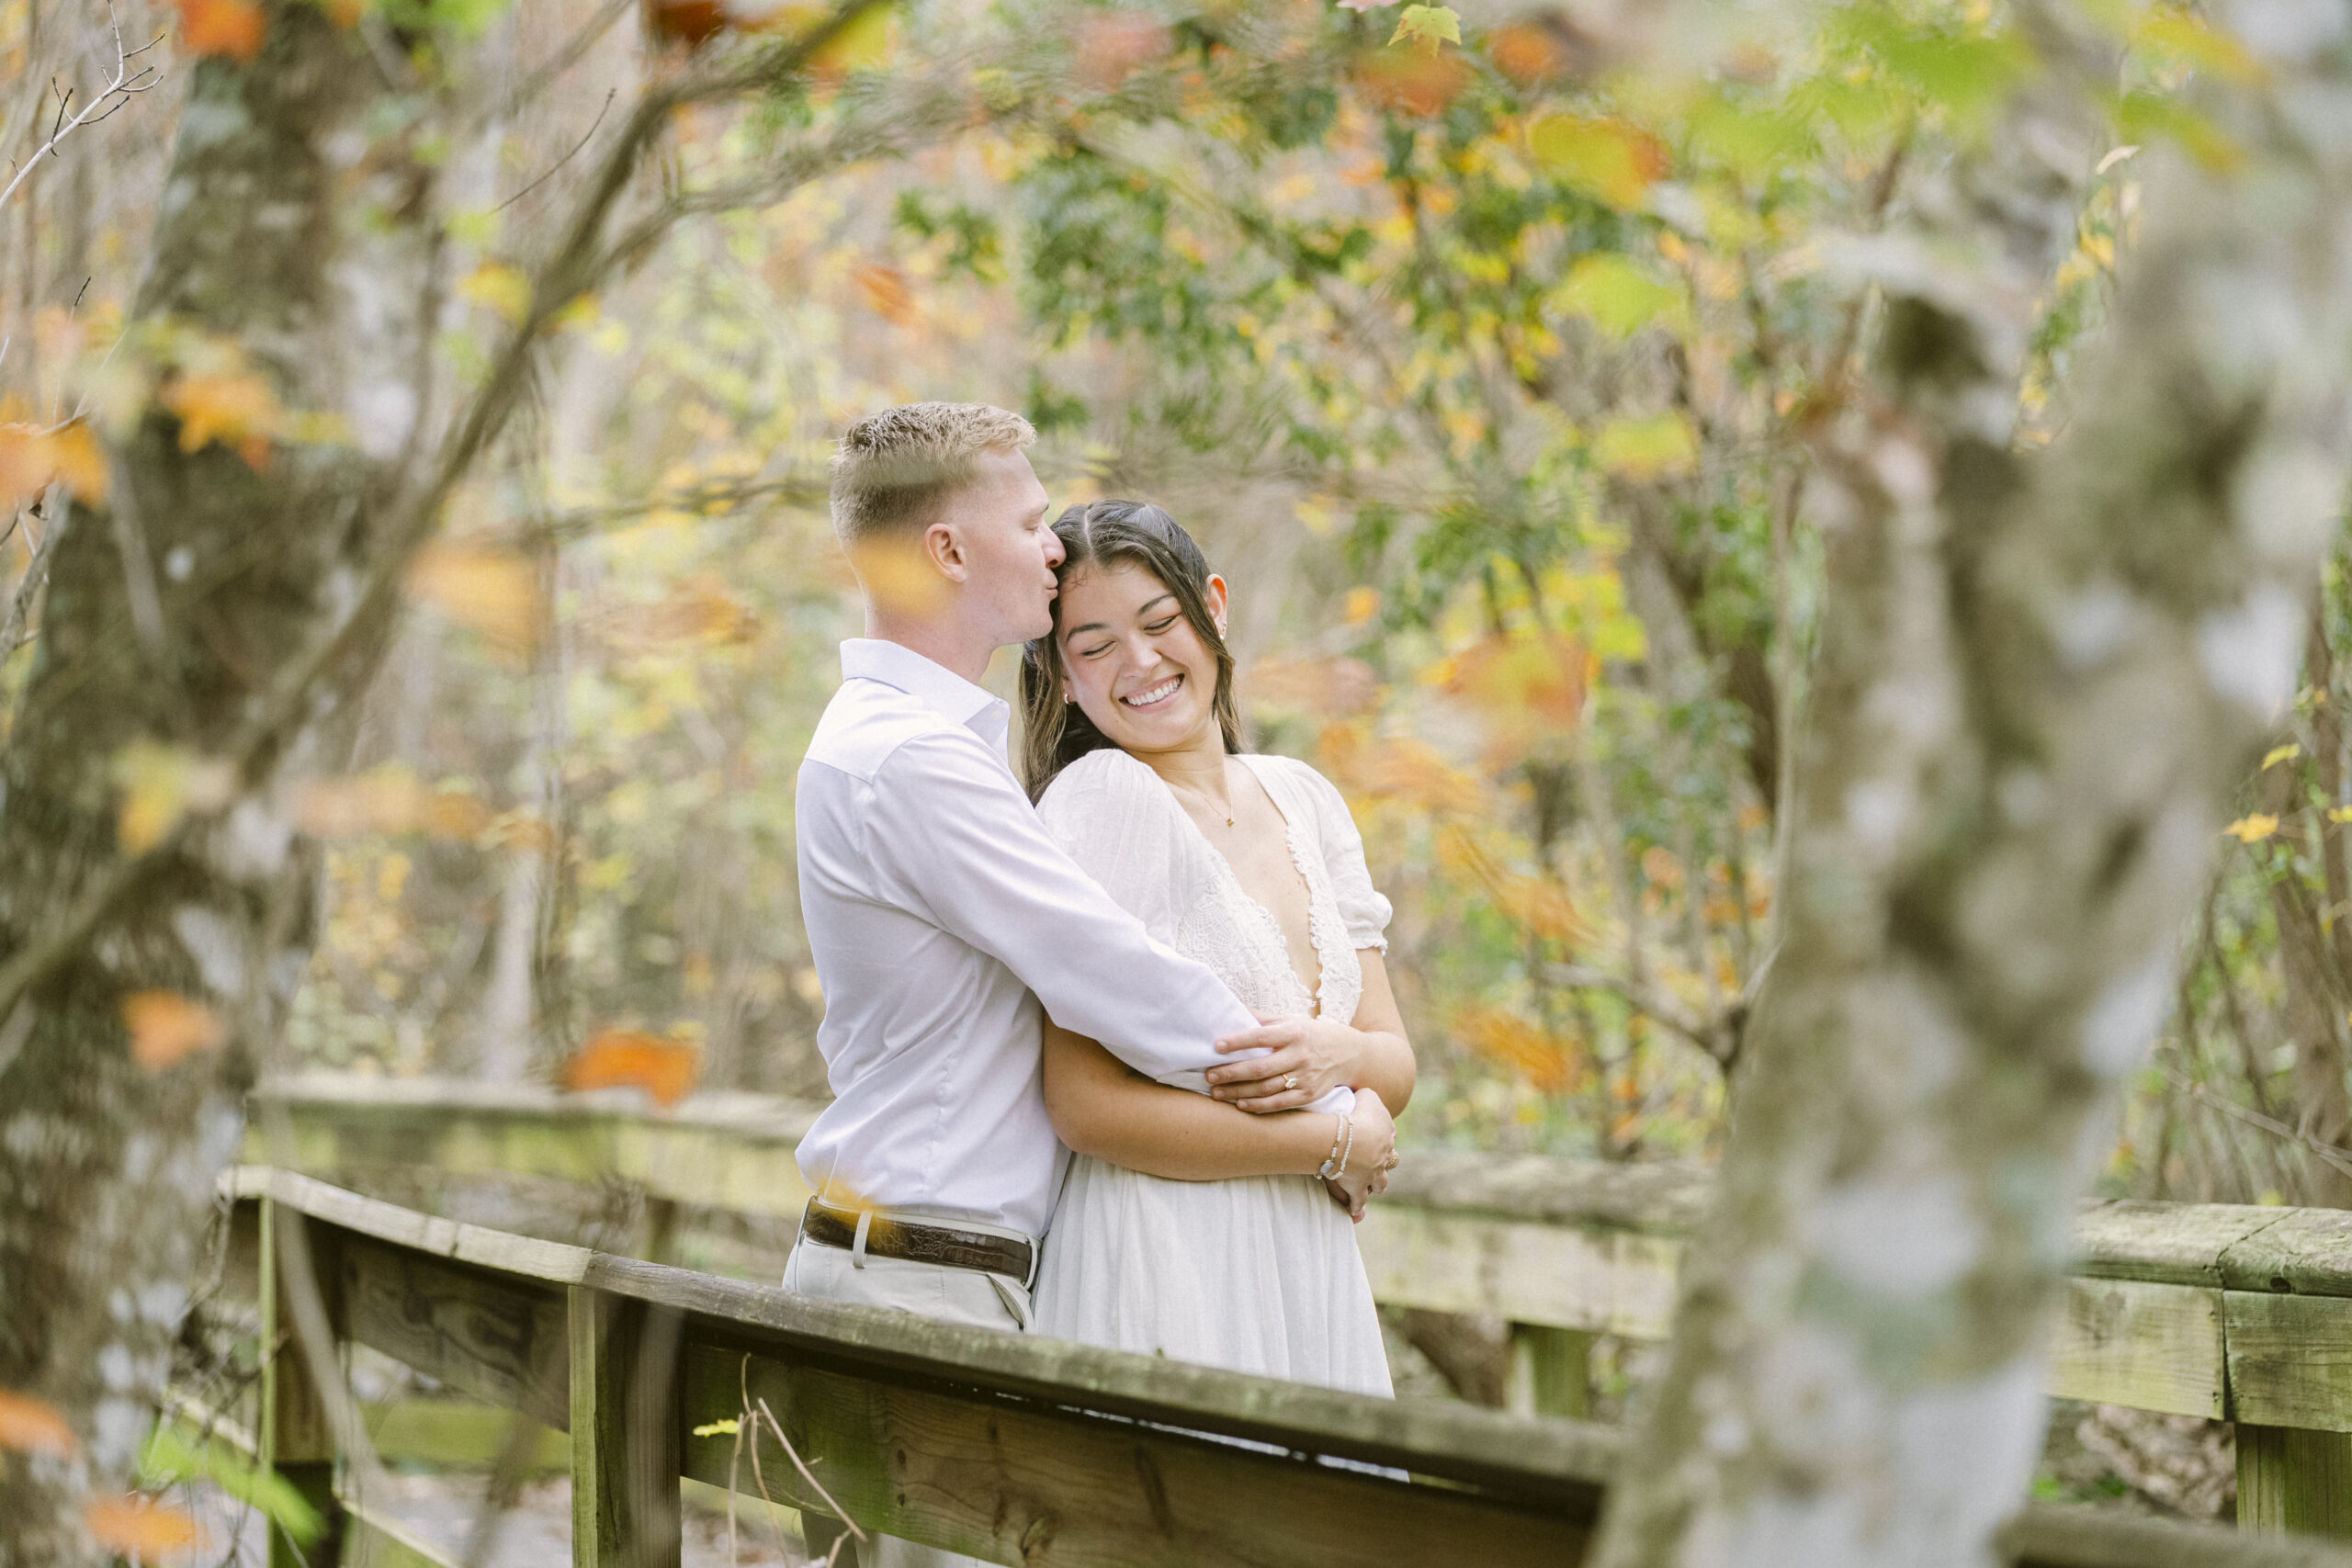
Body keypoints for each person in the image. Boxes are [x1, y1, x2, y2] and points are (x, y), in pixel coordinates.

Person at [783, 404, 1397, 1568]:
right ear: (948, 551)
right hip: (918, 1279)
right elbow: (1121, 983)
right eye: (1028, 521)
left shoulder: (924, 744)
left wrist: (1357, 1077)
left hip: (949, 1270)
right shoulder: (910, 761)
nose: (1051, 544)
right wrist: (1334, 1121)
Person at [1019, 501, 1413, 1395]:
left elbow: (1392, 1058)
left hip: (1305, 1259)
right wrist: (1330, 1141)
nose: (1141, 662)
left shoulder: (1304, 796)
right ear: (1060, 675)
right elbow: (1083, 1106)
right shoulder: (1100, 801)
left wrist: (1342, 1059)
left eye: (1160, 621)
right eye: (1096, 646)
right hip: (1169, 1252)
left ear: (1215, 608)